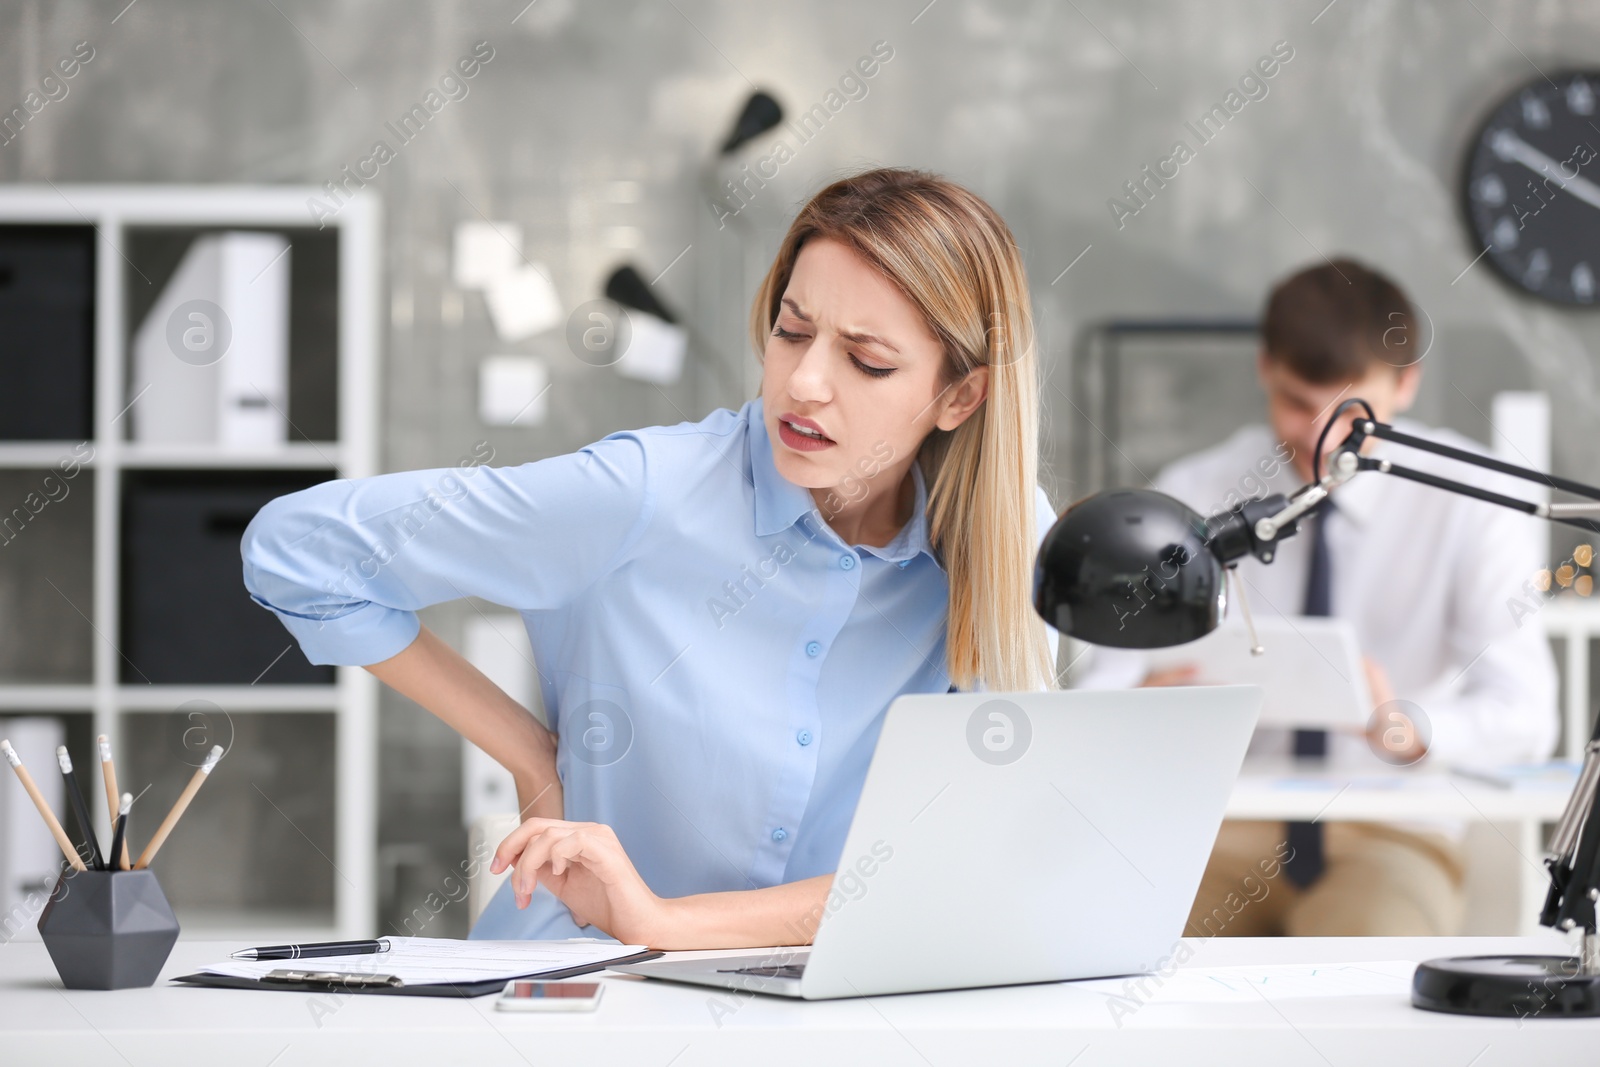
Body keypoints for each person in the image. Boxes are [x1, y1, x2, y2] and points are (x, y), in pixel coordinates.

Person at [241, 167, 1059, 949]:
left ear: (960, 396)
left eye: (866, 359)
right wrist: (532, 754)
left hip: (814, 1001)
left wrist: (666, 922)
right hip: (575, 988)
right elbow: (299, 550)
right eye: (792, 330)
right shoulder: (646, 492)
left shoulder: (1003, 542)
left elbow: (955, 861)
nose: (805, 382)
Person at [1075, 257, 1558, 937]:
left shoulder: (1470, 506)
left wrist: (1412, 725)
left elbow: (1526, 711)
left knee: (1367, 972)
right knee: (1123, 938)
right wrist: (1139, 709)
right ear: (1264, 369)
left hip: (1393, 825)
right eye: (1297, 403)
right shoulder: (1197, 487)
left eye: (1349, 411)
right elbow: (1105, 683)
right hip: (1223, 817)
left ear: (1407, 382)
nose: (1317, 438)